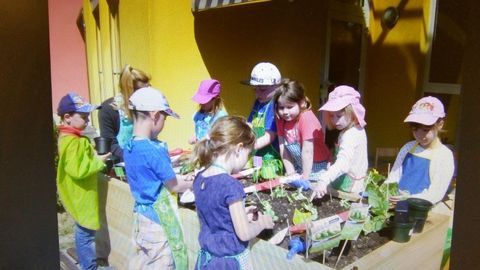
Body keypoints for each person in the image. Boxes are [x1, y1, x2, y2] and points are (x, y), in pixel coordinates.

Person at [123, 87, 193, 270]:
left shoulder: (129, 146)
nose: (165, 123)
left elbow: (153, 176)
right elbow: (175, 185)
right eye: (165, 117)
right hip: (157, 221)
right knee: (163, 262)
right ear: (155, 115)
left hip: (141, 216)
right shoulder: (153, 150)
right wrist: (196, 180)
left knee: (145, 261)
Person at [191, 116, 274, 270]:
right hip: (228, 263)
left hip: (207, 260)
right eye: (248, 154)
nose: (246, 159)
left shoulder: (200, 178)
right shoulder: (231, 186)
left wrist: (241, 213)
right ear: (238, 148)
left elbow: (214, 214)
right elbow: (243, 234)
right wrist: (262, 223)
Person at [56, 92, 112, 270]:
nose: (88, 121)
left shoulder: (73, 137)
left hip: (82, 191)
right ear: (67, 117)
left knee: (84, 229)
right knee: (86, 232)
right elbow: (77, 169)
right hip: (81, 193)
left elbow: (79, 161)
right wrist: (98, 161)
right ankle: (89, 267)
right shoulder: (72, 141)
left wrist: (91, 154)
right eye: (83, 117)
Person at [385, 96, 454, 204]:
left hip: (423, 211)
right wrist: (387, 191)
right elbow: (394, 175)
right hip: (397, 205)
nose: (420, 135)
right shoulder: (408, 147)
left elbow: (436, 193)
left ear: (440, 125)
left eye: (426, 130)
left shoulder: (444, 156)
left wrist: (409, 199)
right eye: (415, 130)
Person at [310, 85, 368, 199]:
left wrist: (323, 180)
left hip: (349, 190)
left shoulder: (350, 135)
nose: (335, 120)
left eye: (339, 115)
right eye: (332, 116)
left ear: (352, 112)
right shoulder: (355, 129)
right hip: (354, 183)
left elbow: (344, 163)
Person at [272, 79, 331, 181]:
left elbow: (307, 151)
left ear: (302, 103)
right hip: (300, 165)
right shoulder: (280, 119)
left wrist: (305, 179)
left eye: (290, 107)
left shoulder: (306, 118)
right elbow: (283, 148)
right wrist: (291, 173)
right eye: (281, 107)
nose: (285, 112)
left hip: (318, 166)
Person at [98, 64, 151, 161]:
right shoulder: (108, 109)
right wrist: (133, 158)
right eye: (142, 91)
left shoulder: (145, 106)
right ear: (130, 90)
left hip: (144, 158)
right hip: (121, 162)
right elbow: (110, 144)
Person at [243, 62, 283, 175]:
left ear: (277, 86)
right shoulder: (258, 103)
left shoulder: (273, 105)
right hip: (258, 152)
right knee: (255, 175)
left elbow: (270, 136)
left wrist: (250, 147)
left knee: (268, 179)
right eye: (255, 90)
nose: (257, 94)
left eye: (262, 90)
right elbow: (249, 124)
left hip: (270, 156)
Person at [189, 79, 228, 144]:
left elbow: (222, 136)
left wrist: (205, 140)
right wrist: (194, 137)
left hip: (214, 151)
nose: (201, 103)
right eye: (200, 100)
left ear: (215, 99)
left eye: (205, 101)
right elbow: (199, 130)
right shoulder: (199, 114)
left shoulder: (221, 117)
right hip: (201, 149)